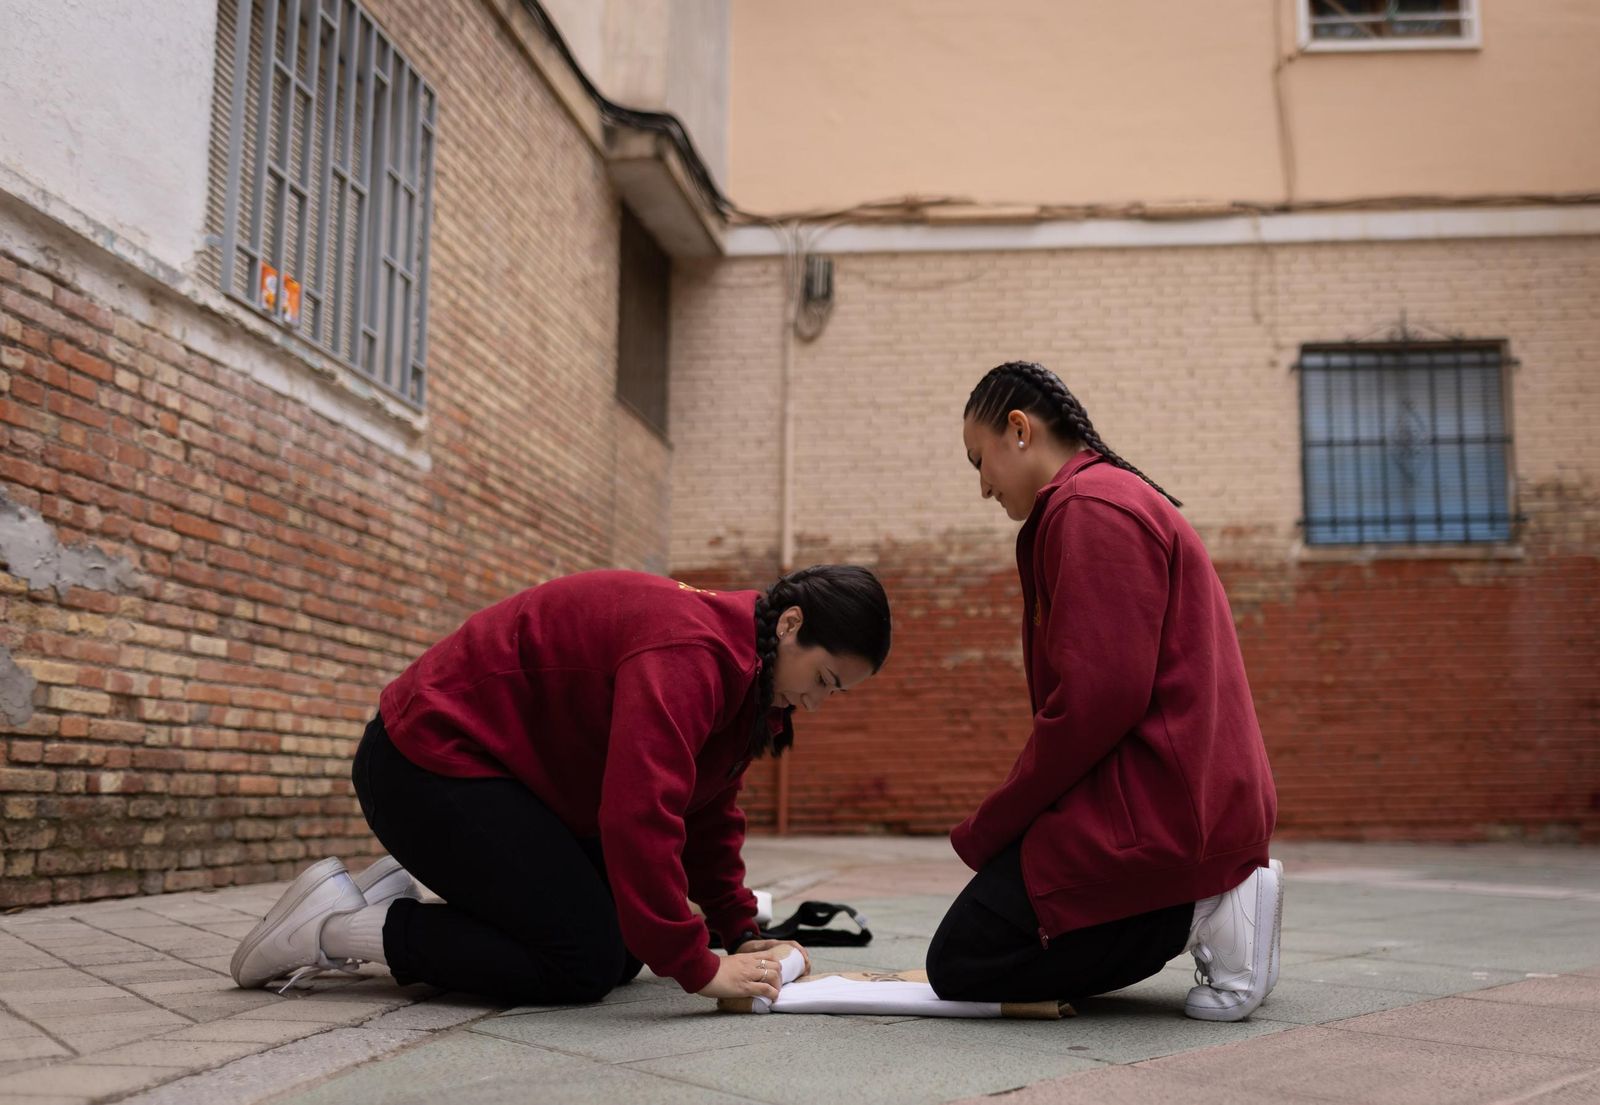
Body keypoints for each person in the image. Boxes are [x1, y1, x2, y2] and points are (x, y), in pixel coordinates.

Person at [230, 566, 891, 1005]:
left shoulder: (750, 685)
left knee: (625, 947)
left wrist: (738, 930)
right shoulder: (691, 652)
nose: (818, 704)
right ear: (792, 624)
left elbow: (708, 810)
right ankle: (340, 927)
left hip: (507, 783)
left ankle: (379, 892)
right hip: (424, 763)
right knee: (579, 960)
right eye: (826, 681)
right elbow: (640, 814)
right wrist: (701, 967)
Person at [925, 361, 1281, 1022]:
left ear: (1019, 430)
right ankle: (1202, 895)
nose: (981, 486)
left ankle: (1210, 902)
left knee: (964, 960)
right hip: (1156, 800)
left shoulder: (1092, 506)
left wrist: (997, 820)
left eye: (980, 460)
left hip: (1165, 813)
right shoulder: (1093, 501)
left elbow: (1099, 700)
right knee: (975, 944)